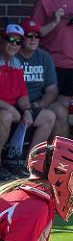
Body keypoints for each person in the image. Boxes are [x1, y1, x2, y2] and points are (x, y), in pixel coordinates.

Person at [15, 19, 60, 150]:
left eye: (37, 36)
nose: (33, 39)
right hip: (15, 104)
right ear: (22, 38)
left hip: (35, 105)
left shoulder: (44, 57)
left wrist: (38, 105)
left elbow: (52, 90)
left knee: (50, 116)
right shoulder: (13, 56)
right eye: (29, 35)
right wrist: (26, 108)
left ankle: (30, 162)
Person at [0, 24, 36, 180]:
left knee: (48, 116)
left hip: (13, 108)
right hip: (4, 109)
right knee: (6, 116)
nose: (14, 44)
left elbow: (22, 94)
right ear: (2, 40)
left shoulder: (16, 63)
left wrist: (27, 110)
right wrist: (8, 107)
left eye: (18, 41)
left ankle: (24, 163)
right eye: (11, 39)